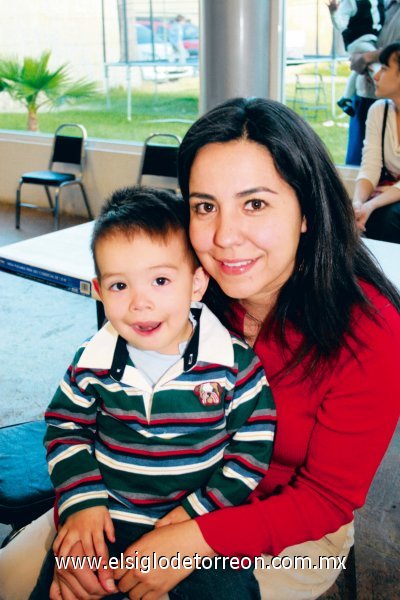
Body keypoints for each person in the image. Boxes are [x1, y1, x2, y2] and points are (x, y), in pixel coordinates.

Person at [1, 99, 399, 600]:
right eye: (205, 206)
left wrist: (192, 540)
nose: (225, 237)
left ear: (306, 211)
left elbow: (326, 498)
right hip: (139, 495)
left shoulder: (370, 330)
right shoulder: (174, 289)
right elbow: (96, 420)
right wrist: (79, 515)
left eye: (255, 203)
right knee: (13, 576)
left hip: (285, 527)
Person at [29, 185, 275, 599]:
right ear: (99, 289)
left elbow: (251, 451)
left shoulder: (234, 364)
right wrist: (81, 501)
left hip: (199, 523)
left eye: (160, 280)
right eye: (120, 286)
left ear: (196, 284)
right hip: (107, 514)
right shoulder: (91, 362)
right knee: (63, 585)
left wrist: (196, 515)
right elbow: (65, 429)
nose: (140, 303)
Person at [353, 42, 400, 241]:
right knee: (354, 216)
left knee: (390, 216)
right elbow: (370, 166)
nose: (376, 76)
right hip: (390, 194)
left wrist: (372, 204)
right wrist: (357, 202)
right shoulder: (379, 111)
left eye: (385, 68)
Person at [346, 0, 400, 164]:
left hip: (392, 97)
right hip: (365, 94)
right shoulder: (374, 4)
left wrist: (368, 57)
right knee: (359, 161)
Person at [328, 0, 385, 116]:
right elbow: (341, 24)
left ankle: (346, 98)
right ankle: (383, 90)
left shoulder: (382, 2)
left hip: (371, 40)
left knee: (358, 70)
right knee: (374, 62)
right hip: (358, 41)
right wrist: (333, 12)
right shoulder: (352, 2)